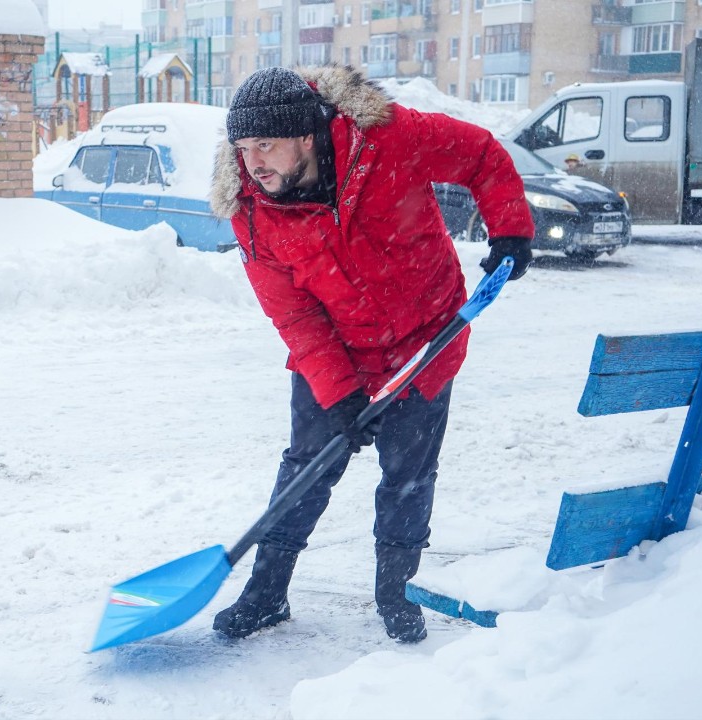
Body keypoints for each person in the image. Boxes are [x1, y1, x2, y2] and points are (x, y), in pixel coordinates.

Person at [208, 65, 535, 643]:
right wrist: (339, 392)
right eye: (243, 147)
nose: (252, 162)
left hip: (426, 339)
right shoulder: (251, 211)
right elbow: (294, 314)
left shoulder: (388, 139)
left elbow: (482, 155)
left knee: (408, 475)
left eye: (265, 145)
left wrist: (510, 228)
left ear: (305, 136)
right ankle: (265, 594)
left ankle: (397, 595)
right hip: (336, 348)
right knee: (306, 470)